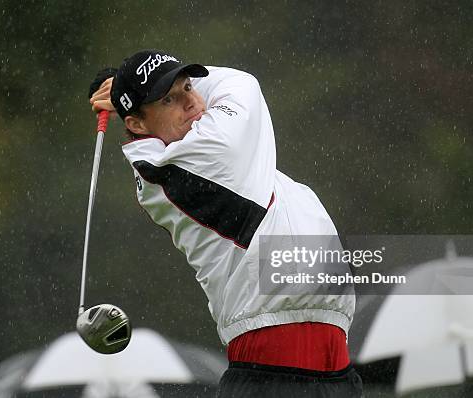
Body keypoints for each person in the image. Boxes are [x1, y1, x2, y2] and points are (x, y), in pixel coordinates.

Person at [88, 49, 362, 397]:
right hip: (275, 378)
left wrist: (129, 91)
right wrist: (124, 91)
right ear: (137, 124)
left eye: (189, 86)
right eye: (169, 98)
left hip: (332, 373)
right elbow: (242, 83)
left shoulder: (194, 155)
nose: (190, 101)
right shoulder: (206, 152)